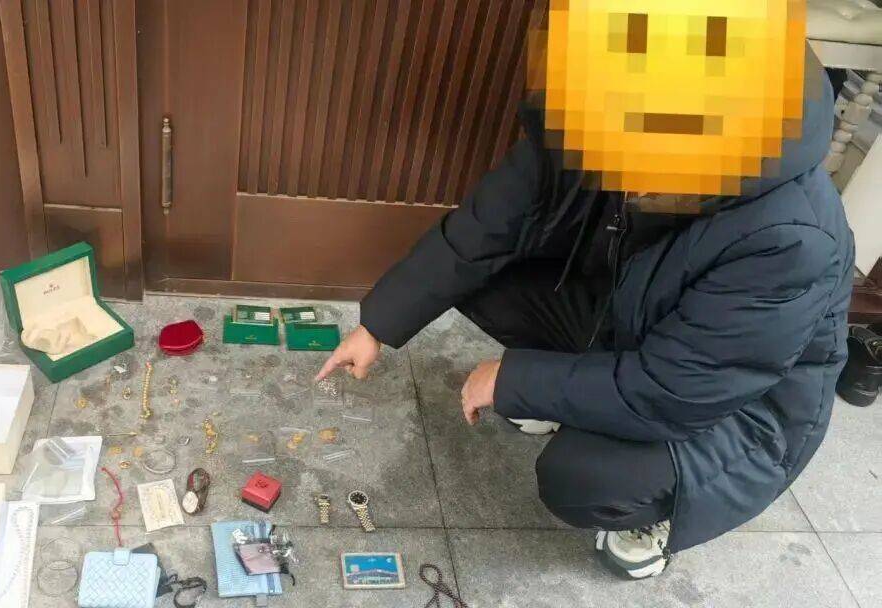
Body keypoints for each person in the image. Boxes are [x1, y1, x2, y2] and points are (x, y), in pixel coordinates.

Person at [316, 4, 855, 579]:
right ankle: (579, 398)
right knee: (483, 277)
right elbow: (489, 223)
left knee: (582, 478)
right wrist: (379, 323)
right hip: (638, 323)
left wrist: (517, 380)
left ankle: (658, 513)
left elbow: (675, 392)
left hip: (737, 411)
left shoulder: (789, 236)